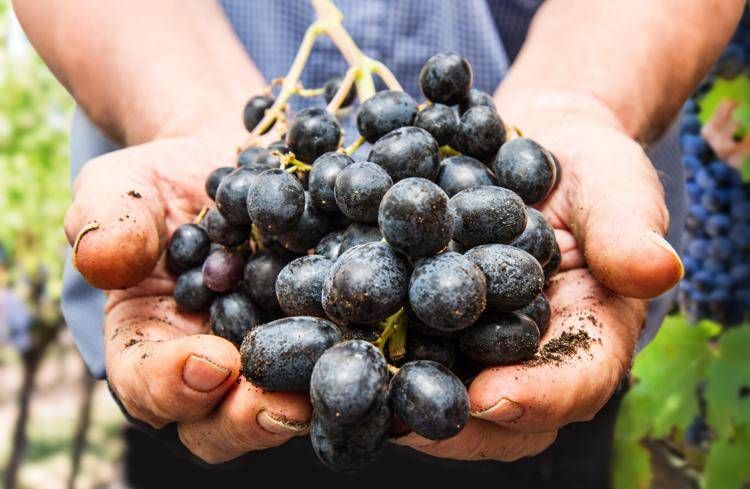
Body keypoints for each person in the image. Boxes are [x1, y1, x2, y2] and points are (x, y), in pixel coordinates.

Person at [12, 0, 744, 487]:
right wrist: (178, 108)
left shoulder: (465, 225)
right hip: (208, 388)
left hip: (541, 385)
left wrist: (590, 98)